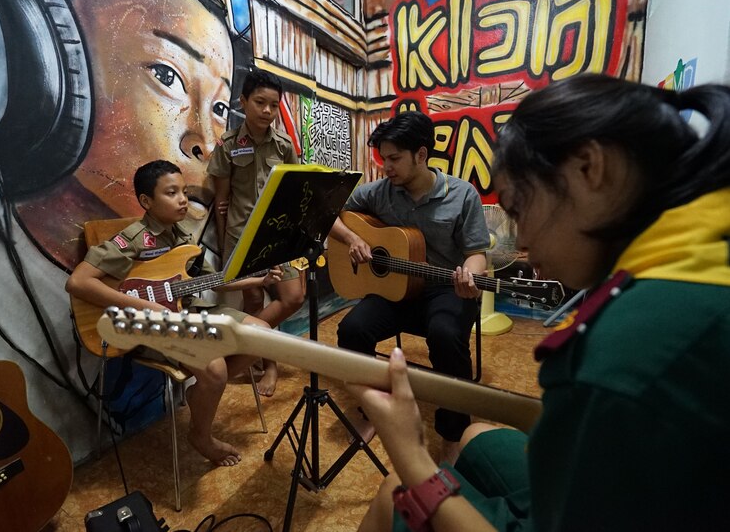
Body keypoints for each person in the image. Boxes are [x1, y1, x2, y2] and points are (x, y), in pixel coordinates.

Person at [349, 74, 730, 531]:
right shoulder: (696, 256)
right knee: (477, 436)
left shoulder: (624, 360)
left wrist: (411, 454)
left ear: (590, 168)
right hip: (404, 289)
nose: (524, 237)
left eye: (518, 206)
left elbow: (477, 251)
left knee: (396, 489)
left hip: (446, 292)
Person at [17, 0, 235, 270]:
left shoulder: (197, 256)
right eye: (166, 75)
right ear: (64, 70)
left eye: (220, 107)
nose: (207, 143)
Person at [66, 160, 282, 466]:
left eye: (183, 191)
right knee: (215, 368)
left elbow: (214, 282)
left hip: (190, 313)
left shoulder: (182, 237)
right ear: (146, 201)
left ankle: (202, 392)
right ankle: (201, 435)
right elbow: (78, 282)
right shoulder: (133, 239)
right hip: (152, 324)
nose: (183, 199)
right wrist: (146, 306)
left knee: (262, 335)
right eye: (171, 193)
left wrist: (261, 279)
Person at [328, 110, 489, 458]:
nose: (386, 167)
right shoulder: (379, 193)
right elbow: (330, 214)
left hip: (446, 289)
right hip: (397, 289)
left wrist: (470, 278)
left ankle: (453, 432)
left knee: (445, 335)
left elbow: (477, 253)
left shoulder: (462, 196)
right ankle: (373, 411)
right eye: (383, 159)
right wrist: (353, 238)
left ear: (421, 154)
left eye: (394, 159)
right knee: (352, 329)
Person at [206, 68, 306, 396]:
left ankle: (244, 350)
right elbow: (222, 202)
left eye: (273, 105)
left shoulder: (284, 145)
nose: (266, 110)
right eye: (260, 102)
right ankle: (269, 363)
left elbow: (296, 193)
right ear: (243, 101)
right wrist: (225, 250)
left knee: (293, 296)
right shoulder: (228, 145)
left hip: (280, 232)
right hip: (242, 233)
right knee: (253, 297)